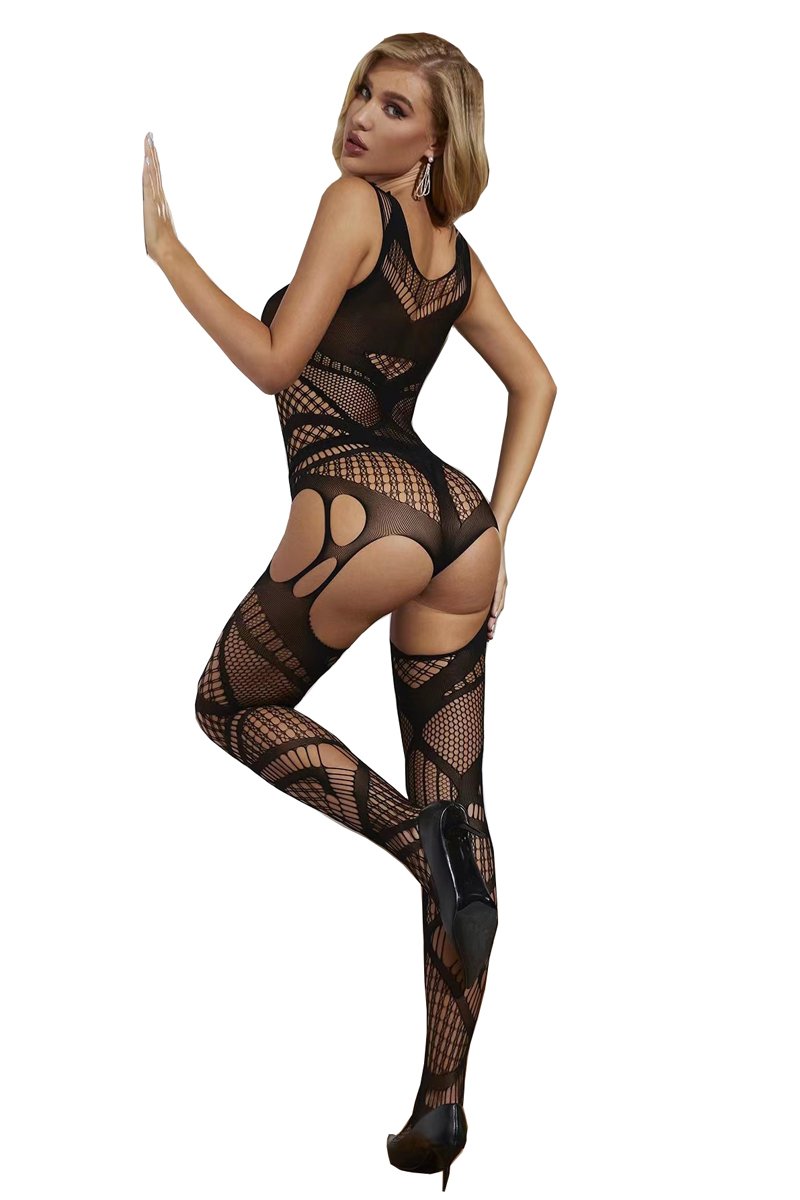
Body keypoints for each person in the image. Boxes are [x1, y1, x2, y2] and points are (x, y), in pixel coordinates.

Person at [142, 31, 557, 1191]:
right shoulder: (452, 256)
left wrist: (169, 252)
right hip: (456, 523)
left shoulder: (350, 206)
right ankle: (440, 1111)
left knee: (228, 706)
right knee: (461, 798)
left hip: (360, 510)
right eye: (360, 94)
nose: (361, 118)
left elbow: (277, 363)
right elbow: (536, 383)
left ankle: (417, 846)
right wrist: (500, 529)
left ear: (434, 142)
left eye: (392, 107)